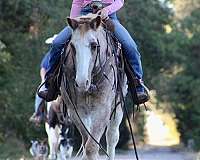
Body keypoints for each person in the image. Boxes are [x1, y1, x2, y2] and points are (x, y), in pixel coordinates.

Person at [38, 0, 149, 104]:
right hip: (83, 16)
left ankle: (137, 85)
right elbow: (77, 1)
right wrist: (73, 22)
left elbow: (120, 1)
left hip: (108, 16)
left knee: (130, 46)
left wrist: (107, 10)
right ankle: (50, 82)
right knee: (57, 43)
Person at [29, 35, 57, 124]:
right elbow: (43, 68)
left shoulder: (66, 53)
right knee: (40, 92)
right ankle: (38, 114)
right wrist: (43, 80)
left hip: (62, 78)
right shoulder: (49, 55)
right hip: (50, 79)